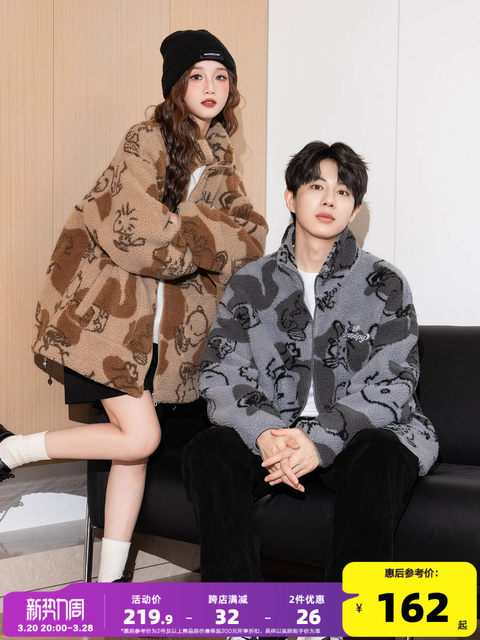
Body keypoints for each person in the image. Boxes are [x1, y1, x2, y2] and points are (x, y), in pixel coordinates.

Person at [0, 29, 267, 583]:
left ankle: (107, 588)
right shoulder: (144, 141)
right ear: (177, 86)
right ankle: (10, 452)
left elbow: (252, 245)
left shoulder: (223, 169)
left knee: (132, 455)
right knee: (142, 437)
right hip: (104, 326)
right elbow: (141, 240)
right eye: (198, 76)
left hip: (158, 344)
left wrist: (185, 225)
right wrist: (204, 237)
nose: (211, 87)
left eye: (221, 77)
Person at [183, 140, 438, 600]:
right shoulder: (249, 283)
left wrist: (319, 439)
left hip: (361, 434)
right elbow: (221, 372)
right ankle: (240, 615)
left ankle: (349, 618)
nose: (328, 200)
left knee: (379, 454)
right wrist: (265, 433)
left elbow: (393, 383)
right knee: (208, 450)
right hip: (276, 433)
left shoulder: (385, 283)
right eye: (317, 186)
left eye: (342, 192)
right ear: (291, 197)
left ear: (354, 209)